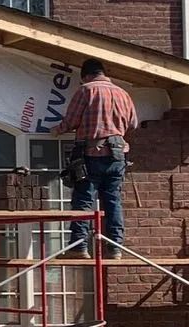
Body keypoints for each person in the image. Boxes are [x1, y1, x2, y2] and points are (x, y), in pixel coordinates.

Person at [54, 58, 137, 254]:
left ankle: (79, 246)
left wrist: (55, 131)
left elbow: (71, 120)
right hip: (117, 155)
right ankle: (115, 246)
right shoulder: (123, 93)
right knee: (113, 200)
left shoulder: (86, 90)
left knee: (84, 199)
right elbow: (132, 124)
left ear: (86, 76)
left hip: (92, 154)